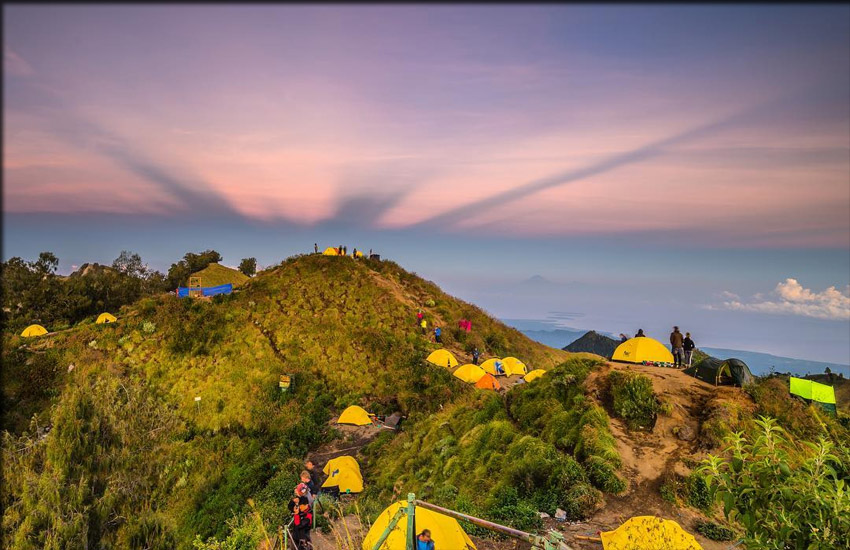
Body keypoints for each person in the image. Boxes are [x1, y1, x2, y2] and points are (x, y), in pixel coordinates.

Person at [287, 485, 313, 550]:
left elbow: (299, 525)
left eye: (301, 506)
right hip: (296, 537)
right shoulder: (302, 500)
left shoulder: (308, 515)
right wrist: (293, 501)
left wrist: (296, 514)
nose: (299, 508)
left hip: (303, 539)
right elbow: (290, 507)